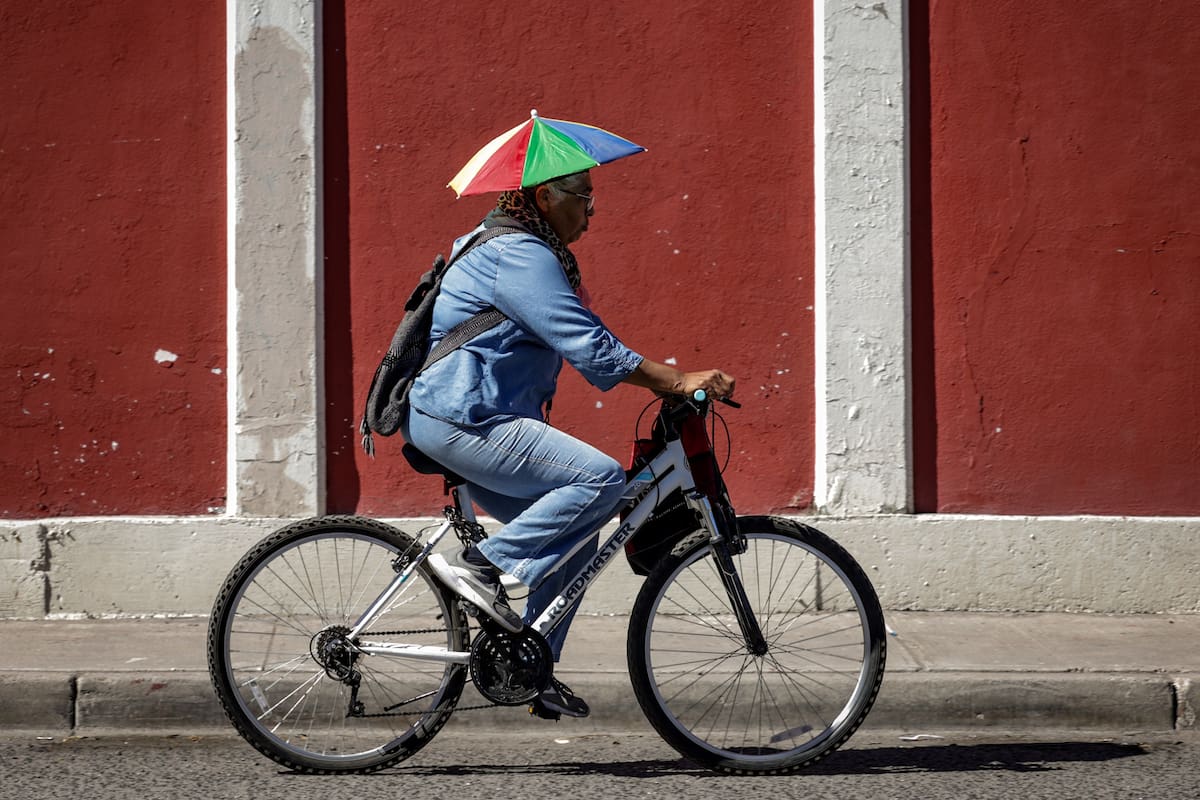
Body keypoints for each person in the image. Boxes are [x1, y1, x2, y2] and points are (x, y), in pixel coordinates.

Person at [403, 169, 735, 719]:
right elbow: (588, 345)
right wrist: (677, 379)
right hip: (464, 416)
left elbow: (585, 332)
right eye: (584, 198)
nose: (591, 212)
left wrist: (660, 381)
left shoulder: (520, 248)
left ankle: (529, 667)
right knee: (599, 479)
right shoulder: (518, 252)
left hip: (469, 416)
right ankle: (480, 565)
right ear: (544, 197)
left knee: (580, 525)